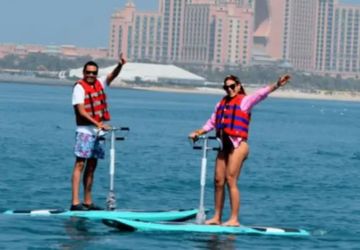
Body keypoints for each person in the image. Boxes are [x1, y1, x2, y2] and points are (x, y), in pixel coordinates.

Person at [189, 74, 291, 226]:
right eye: (226, 87)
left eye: (231, 86)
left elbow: (261, 94)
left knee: (231, 179)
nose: (229, 89)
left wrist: (276, 84)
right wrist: (198, 132)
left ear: (238, 86)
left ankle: (234, 219)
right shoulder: (221, 104)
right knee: (218, 181)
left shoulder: (244, 101)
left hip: (238, 146)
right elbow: (211, 123)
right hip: (224, 146)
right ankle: (217, 217)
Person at [70, 53, 126, 211]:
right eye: (88, 72)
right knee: (80, 164)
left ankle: (88, 201)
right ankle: (75, 202)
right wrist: (98, 124)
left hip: (98, 133)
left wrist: (120, 65)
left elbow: (111, 76)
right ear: (83, 73)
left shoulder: (100, 83)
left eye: (94, 73)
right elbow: (81, 111)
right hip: (85, 131)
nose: (91, 75)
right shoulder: (79, 87)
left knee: (92, 166)